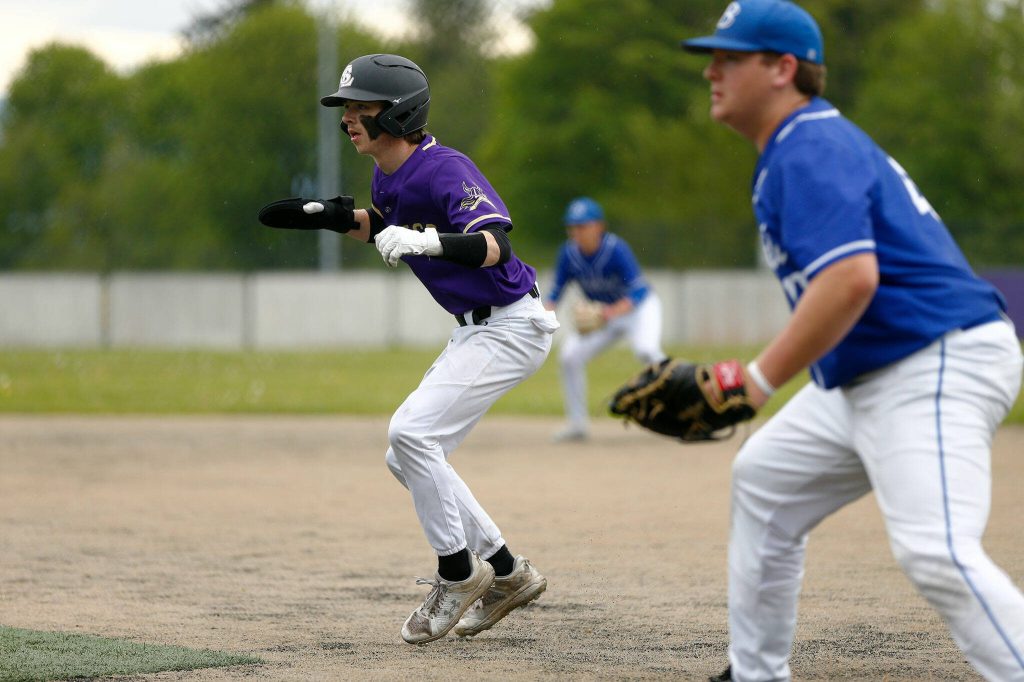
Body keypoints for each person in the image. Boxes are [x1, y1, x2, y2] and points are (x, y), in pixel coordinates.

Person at [678, 2, 1024, 681]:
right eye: (712, 57)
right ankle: (756, 674)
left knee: (936, 550)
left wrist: (754, 381)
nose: (712, 70)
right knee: (765, 481)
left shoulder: (807, 143)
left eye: (731, 57)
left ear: (784, 69)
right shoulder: (795, 146)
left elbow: (849, 281)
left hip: (935, 357)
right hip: (880, 368)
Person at [258, 53, 559, 644]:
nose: (347, 118)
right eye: (346, 108)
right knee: (409, 456)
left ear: (397, 113)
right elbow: (387, 222)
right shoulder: (388, 172)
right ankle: (505, 573)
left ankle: (456, 573)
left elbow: (494, 246)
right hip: (477, 328)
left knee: (411, 434)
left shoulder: (445, 167)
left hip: (511, 324)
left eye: (360, 107)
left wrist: (424, 241)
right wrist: (333, 218)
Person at [545, 197, 667, 442]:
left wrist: (609, 313)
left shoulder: (615, 249)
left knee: (647, 351)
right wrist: (542, 320)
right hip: (603, 318)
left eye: (583, 225)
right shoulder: (568, 254)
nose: (577, 232)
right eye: (573, 226)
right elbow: (555, 293)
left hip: (638, 311)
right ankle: (577, 424)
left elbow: (638, 291)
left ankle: (682, 410)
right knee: (569, 356)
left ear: (599, 226)